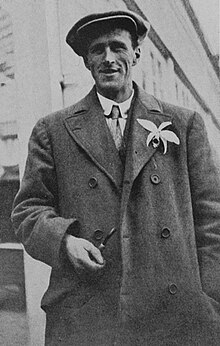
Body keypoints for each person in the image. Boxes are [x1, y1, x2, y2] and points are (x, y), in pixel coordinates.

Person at [12, 9, 220, 346]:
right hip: (90, 316)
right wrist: (65, 243)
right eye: (97, 50)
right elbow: (27, 212)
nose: (109, 58)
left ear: (136, 52)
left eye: (118, 47)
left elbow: (212, 223)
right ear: (85, 61)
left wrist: (210, 304)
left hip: (173, 316)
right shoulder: (53, 130)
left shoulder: (183, 124)